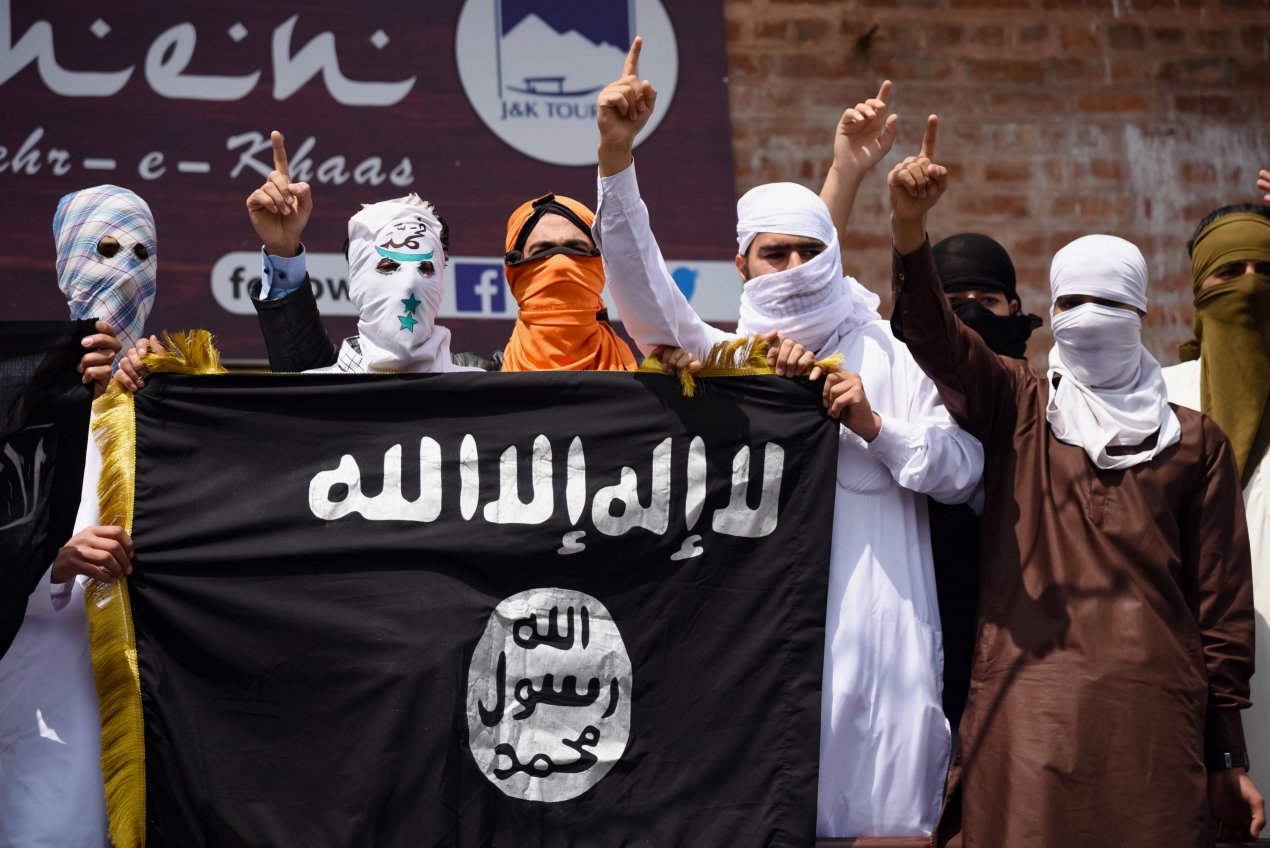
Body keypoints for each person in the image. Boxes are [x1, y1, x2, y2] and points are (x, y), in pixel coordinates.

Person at [592, 39, 984, 838]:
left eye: (813, 251)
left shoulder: (882, 350)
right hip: (765, 673)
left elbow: (963, 471)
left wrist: (875, 424)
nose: (797, 266)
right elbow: (641, 294)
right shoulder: (722, 361)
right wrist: (615, 155)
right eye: (777, 253)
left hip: (883, 676)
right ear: (743, 262)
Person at [887, 115, 1264, 846]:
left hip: (1153, 724)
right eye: (1069, 307)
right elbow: (935, 337)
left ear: (1143, 314)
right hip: (1029, 712)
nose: (1088, 323)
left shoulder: (1192, 441)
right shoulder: (1021, 402)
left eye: (1110, 306)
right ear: (1048, 314)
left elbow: (1221, 613)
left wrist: (1227, 755)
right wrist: (908, 228)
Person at [0, 185, 147, 848]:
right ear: (66, 267)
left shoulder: (177, 388)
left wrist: (160, 397)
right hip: (34, 683)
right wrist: (50, 561)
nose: (123, 270)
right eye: (105, 249)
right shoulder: (18, 395)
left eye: (141, 253)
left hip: (148, 694)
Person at [241, 132, 637, 373]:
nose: (410, 281)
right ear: (356, 277)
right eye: (388, 265)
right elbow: (297, 371)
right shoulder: (324, 383)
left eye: (427, 268)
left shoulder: (488, 387)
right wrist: (282, 249)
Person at [1162, 200, 1270, 801]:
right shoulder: (1155, 398)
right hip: (1185, 686)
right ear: (1199, 292)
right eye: (1230, 275)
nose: (1250, 291)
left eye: (1267, 273)